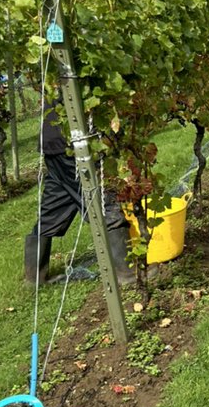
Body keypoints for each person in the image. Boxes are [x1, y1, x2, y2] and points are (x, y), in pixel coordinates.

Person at [25, 98, 134, 285]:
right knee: (104, 201)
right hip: (73, 141)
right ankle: (127, 274)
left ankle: (35, 278)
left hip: (54, 141)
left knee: (56, 202)